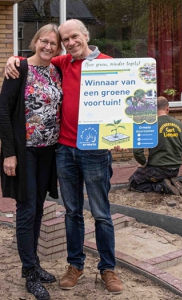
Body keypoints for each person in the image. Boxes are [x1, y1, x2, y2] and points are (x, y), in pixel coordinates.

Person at [5, 19, 123, 294]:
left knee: (102, 214)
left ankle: (108, 269)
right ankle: (75, 265)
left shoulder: (108, 63)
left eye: (73, 37)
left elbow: (123, 101)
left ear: (85, 35)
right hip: (64, 150)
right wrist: (13, 59)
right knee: (72, 212)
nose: (70, 43)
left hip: (94, 152)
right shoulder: (62, 63)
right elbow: (36, 58)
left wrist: (123, 135)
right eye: (65, 39)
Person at [0, 24, 63, 300]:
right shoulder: (19, 69)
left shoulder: (56, 70)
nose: (48, 46)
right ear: (35, 41)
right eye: (44, 41)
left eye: (54, 44)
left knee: (38, 208)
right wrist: (8, 153)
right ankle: (29, 273)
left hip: (47, 151)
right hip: (24, 152)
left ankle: (34, 263)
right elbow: (3, 111)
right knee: (26, 210)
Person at [129, 96, 182, 195]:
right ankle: (169, 180)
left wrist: (143, 162)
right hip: (175, 169)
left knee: (134, 181)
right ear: (168, 108)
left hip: (158, 169)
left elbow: (137, 151)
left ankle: (161, 186)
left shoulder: (149, 125)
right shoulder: (179, 124)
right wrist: (177, 154)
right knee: (157, 175)